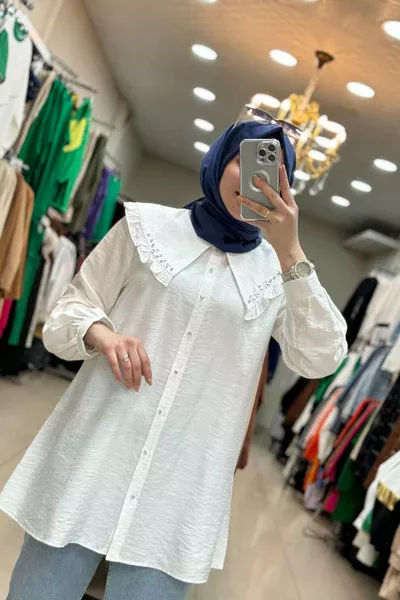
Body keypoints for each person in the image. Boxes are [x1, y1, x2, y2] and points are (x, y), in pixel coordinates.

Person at [0, 121, 347, 600]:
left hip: (181, 484)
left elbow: (321, 357)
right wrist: (102, 333)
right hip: (95, 451)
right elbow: (65, 315)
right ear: (218, 160)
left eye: (275, 171)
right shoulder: (145, 227)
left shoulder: (278, 273)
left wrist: (290, 251)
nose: (257, 178)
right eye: (243, 161)